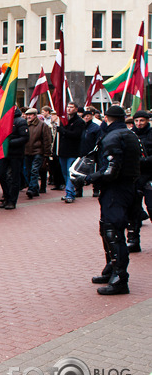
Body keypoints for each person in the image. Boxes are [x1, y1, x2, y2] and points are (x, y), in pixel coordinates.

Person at [71, 105, 140, 295]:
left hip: (116, 190)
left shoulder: (113, 137)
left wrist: (87, 178)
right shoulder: (130, 135)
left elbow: (111, 170)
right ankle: (112, 270)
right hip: (127, 188)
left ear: (107, 118)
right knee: (107, 228)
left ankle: (119, 277)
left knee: (112, 231)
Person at [127, 110, 152, 252]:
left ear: (147, 120)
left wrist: (143, 161)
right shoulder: (130, 135)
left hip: (149, 176)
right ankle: (133, 240)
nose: (139, 124)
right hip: (135, 177)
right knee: (133, 210)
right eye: (136, 121)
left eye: (142, 121)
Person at [0, 108, 29, 210]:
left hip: (16, 153)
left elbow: (24, 137)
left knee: (14, 177)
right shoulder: (3, 120)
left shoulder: (20, 121)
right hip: (4, 153)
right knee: (0, 174)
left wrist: (9, 143)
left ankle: (12, 200)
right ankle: (6, 196)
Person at [56, 103, 85, 203]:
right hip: (63, 152)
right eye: (68, 107)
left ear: (76, 109)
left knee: (70, 173)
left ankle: (69, 193)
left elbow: (76, 135)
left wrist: (63, 131)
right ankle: (70, 192)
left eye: (71, 107)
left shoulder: (79, 122)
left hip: (73, 152)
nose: (69, 109)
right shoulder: (63, 120)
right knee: (64, 173)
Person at [24, 108, 52, 199]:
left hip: (38, 151)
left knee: (34, 170)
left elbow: (47, 140)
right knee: (28, 172)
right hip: (27, 152)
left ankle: (31, 189)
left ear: (35, 115)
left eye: (30, 115)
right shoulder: (25, 125)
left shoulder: (42, 125)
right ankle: (35, 189)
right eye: (27, 115)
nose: (28, 116)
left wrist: (47, 154)